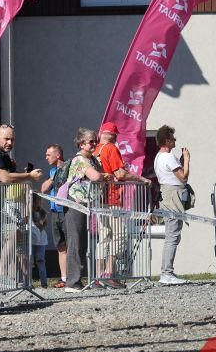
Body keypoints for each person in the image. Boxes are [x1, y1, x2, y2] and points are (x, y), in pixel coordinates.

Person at [0, 125, 43, 288]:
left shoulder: (3, 156)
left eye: (12, 139)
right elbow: (5, 178)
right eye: (6, 139)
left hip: (0, 205)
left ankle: (2, 275)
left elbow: (13, 174)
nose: (10, 143)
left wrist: (23, 173)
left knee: (12, 235)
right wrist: (29, 175)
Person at [93, 122, 151, 289]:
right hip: (112, 198)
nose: (117, 138)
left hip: (99, 199)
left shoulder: (96, 150)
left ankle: (98, 275)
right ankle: (109, 274)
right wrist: (141, 179)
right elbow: (120, 173)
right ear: (112, 135)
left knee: (104, 236)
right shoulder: (111, 148)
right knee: (119, 234)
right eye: (116, 135)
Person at [63, 128, 106, 292]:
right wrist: (103, 176)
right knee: (75, 242)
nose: (94, 144)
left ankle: (79, 280)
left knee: (82, 242)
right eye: (91, 141)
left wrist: (102, 176)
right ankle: (72, 282)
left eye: (96, 141)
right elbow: (96, 176)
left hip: (86, 204)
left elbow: (100, 175)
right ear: (81, 144)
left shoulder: (92, 159)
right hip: (75, 204)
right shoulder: (80, 160)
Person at [153, 125, 190, 285]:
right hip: (172, 195)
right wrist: (186, 160)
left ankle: (167, 271)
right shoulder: (168, 157)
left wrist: (180, 162)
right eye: (173, 139)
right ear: (167, 141)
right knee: (173, 235)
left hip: (167, 194)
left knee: (172, 234)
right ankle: (167, 273)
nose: (175, 141)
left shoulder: (159, 157)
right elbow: (183, 177)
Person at [39, 144, 68, 288]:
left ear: (58, 155)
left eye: (48, 155)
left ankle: (74, 277)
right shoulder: (52, 171)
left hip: (67, 211)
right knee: (60, 246)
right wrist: (52, 178)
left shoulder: (68, 168)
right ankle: (64, 278)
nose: (46, 157)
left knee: (71, 245)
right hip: (55, 212)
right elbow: (43, 189)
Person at [30, 206, 50, 288]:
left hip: (41, 242)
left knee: (41, 261)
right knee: (29, 262)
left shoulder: (42, 212)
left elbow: (42, 225)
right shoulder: (28, 212)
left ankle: (44, 283)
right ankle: (28, 283)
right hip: (31, 241)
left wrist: (41, 223)